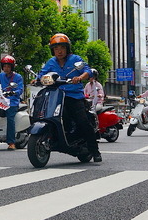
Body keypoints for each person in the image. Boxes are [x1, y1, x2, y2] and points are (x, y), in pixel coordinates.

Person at [36, 33, 101, 162]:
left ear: (67, 49)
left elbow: (87, 71)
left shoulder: (75, 59)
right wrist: (36, 80)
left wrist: (80, 78)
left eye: (62, 48)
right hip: (56, 95)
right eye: (56, 48)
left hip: (74, 96)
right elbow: (42, 74)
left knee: (82, 121)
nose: (59, 51)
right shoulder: (51, 62)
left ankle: (95, 150)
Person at [0, 55, 24, 150]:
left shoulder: (18, 77)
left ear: (12, 67)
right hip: (1, 101)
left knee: (10, 118)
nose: (6, 68)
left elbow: (20, 89)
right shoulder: (1, 76)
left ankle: (11, 142)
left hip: (12, 102)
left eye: (8, 66)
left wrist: (14, 92)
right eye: (4, 66)